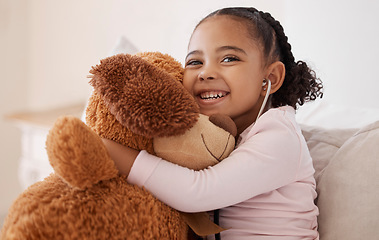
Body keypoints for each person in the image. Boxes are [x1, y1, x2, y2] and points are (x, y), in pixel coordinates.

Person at [103, 7, 323, 240]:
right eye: (195, 61)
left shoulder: (279, 135)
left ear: (270, 78)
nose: (205, 73)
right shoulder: (206, 136)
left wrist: (107, 149)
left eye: (229, 58)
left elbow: (197, 192)